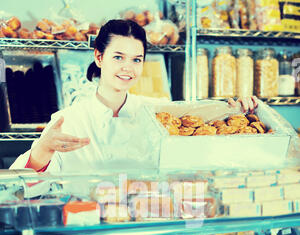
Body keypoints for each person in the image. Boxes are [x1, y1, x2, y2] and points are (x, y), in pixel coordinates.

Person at [10, 19, 258, 173]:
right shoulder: (69, 120)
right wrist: (41, 150)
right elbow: (18, 190)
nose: (128, 68)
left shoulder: (161, 113)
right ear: (99, 57)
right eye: (118, 57)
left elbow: (204, 148)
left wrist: (238, 114)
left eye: (136, 59)